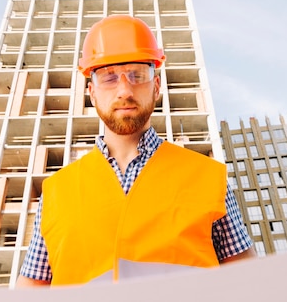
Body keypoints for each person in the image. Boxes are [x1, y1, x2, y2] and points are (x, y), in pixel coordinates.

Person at [17, 15, 255, 287]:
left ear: (155, 87)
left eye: (137, 75)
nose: (124, 89)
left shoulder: (209, 178)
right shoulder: (56, 192)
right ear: (92, 93)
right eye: (109, 77)